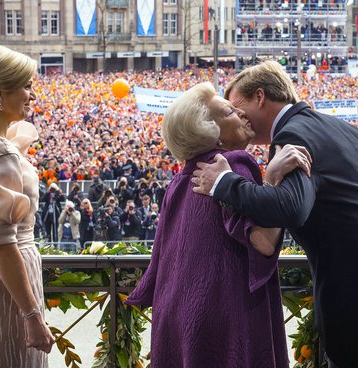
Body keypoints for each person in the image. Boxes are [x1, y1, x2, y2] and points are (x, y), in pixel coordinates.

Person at [191, 61, 358, 368]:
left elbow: (292, 208)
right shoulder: (347, 129)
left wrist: (224, 183)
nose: (237, 116)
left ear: (259, 97)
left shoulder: (292, 136)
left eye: (236, 105)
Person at [126, 82, 311, 367]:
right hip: (221, 315)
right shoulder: (234, 163)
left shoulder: (180, 179)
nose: (242, 114)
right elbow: (263, 241)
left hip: (175, 315)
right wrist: (273, 178)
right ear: (214, 135)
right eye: (230, 112)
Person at [0, 45, 54, 366]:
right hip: (10, 289)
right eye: (26, 86)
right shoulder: (0, 154)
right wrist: (32, 314)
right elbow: (4, 244)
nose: (32, 96)